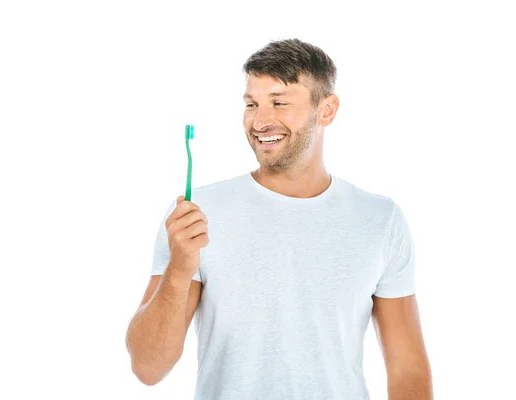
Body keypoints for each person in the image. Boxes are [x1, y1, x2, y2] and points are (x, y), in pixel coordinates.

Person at [125, 38, 433, 399]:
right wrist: (178, 270)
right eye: (251, 104)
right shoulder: (196, 215)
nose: (259, 120)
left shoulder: (380, 219)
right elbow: (147, 367)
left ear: (327, 110)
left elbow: (407, 368)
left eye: (279, 103)